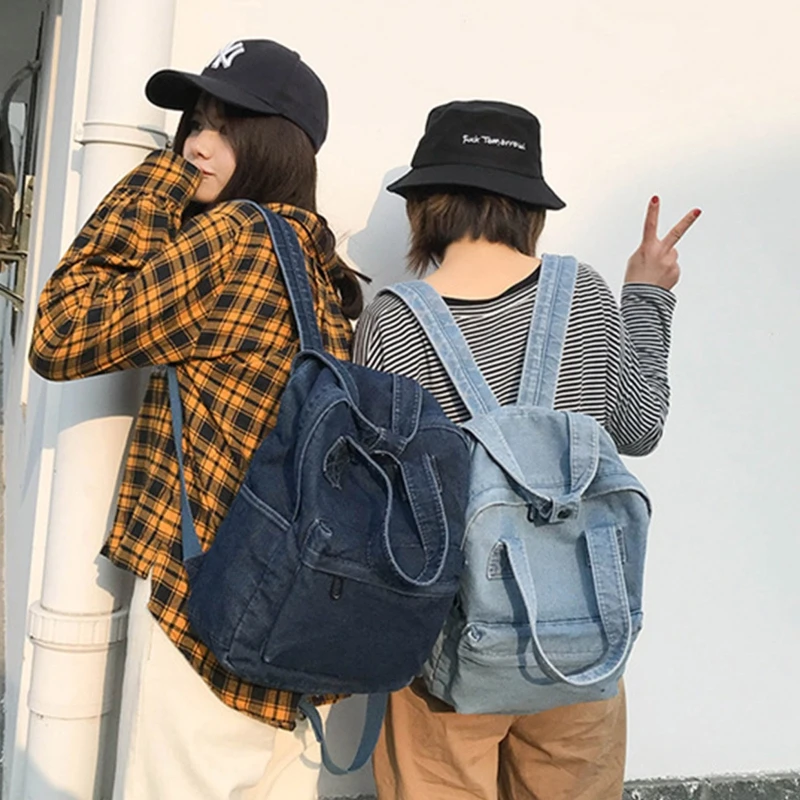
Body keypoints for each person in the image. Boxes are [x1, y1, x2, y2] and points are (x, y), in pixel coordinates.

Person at [29, 39, 362, 800]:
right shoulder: (319, 266)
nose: (197, 146)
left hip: (207, 627)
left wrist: (155, 178)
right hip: (296, 629)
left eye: (226, 127)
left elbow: (61, 332)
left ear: (275, 144)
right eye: (195, 124)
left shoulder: (235, 238)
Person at [352, 100, 700, 800]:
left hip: (446, 644)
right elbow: (639, 430)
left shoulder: (392, 319)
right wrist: (646, 298)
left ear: (424, 206)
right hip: (581, 643)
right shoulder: (587, 295)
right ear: (529, 209)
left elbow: (375, 493)